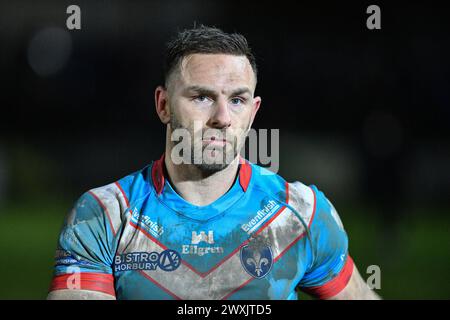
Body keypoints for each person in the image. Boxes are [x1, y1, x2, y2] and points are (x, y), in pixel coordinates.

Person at [47, 25, 380, 300]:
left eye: (237, 100)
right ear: (163, 105)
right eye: (202, 97)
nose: (222, 117)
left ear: (253, 112)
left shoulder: (299, 214)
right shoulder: (105, 216)